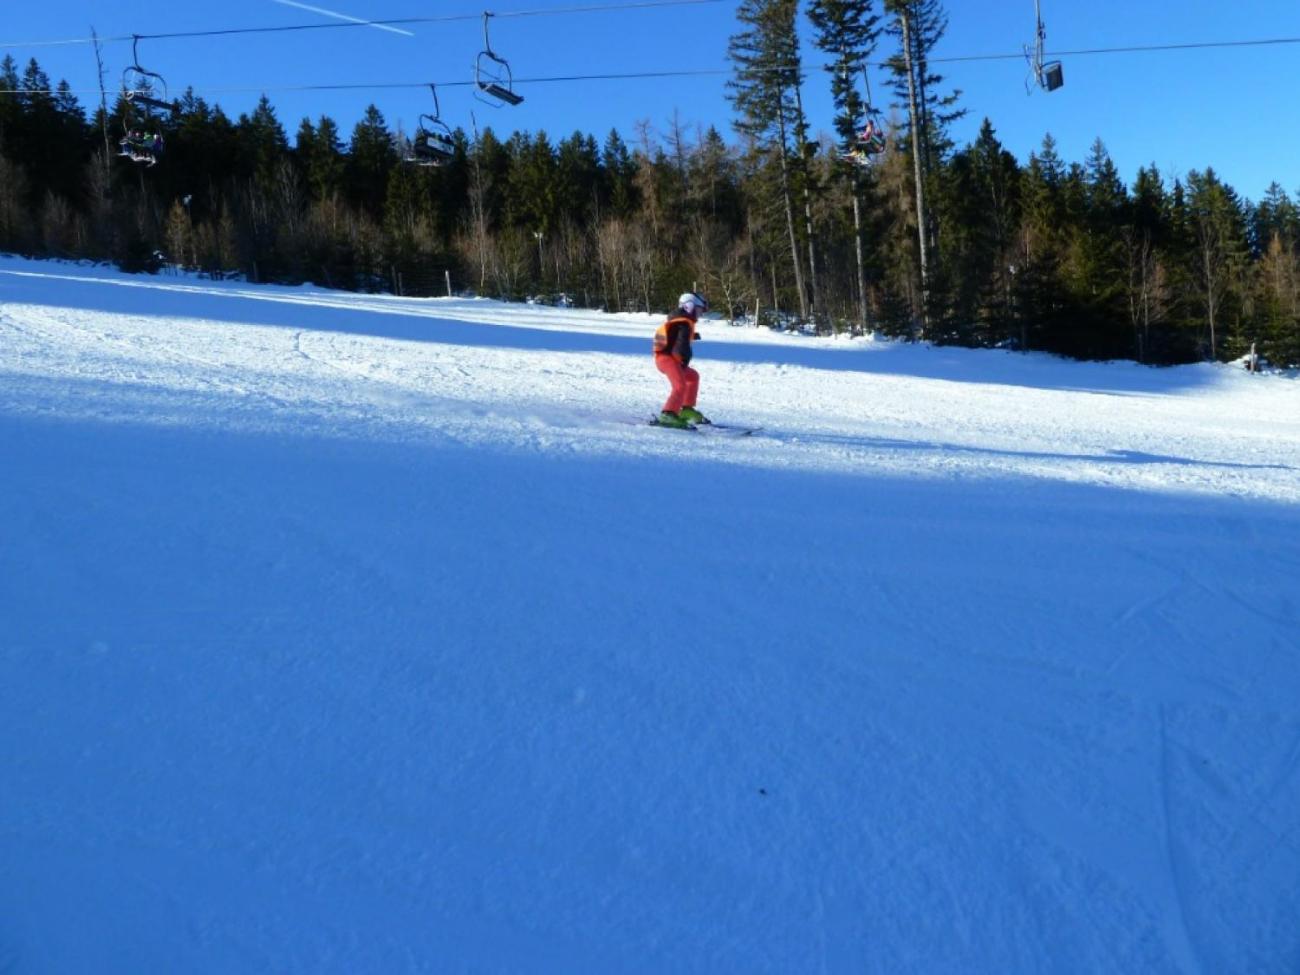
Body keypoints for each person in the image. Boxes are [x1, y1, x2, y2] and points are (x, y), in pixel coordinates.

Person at [653, 291, 710, 428]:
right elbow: (681, 346)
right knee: (680, 385)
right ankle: (668, 414)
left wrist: (692, 335)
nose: (700, 314)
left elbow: (676, 337)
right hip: (667, 359)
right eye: (699, 310)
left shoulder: (682, 322)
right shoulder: (683, 324)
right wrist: (683, 361)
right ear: (689, 307)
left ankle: (686, 409)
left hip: (669, 358)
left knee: (693, 377)